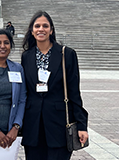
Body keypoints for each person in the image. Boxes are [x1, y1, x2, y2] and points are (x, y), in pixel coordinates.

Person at [21, 11, 88, 160]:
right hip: (33, 125)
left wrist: (82, 125)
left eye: (45, 26)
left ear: (51, 30)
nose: (41, 29)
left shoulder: (67, 54)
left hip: (59, 125)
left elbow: (74, 92)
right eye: (37, 26)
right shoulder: (26, 56)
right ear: (32, 31)